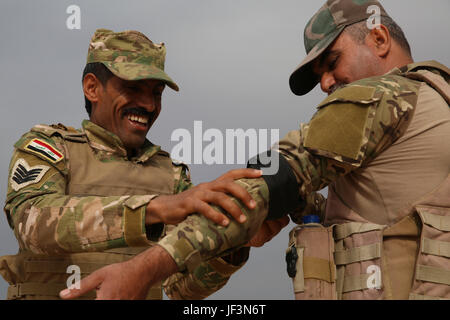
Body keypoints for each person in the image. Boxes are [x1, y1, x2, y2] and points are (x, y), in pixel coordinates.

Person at [62, 0, 449, 300]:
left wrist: (142, 270)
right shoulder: (438, 98)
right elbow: (395, 209)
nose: (327, 83)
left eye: (333, 62)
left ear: (379, 39)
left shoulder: (381, 97)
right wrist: (299, 205)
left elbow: (260, 179)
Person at [0, 28, 289, 300]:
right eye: (133, 89)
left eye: (156, 93)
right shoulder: (50, 147)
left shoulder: (171, 176)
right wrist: (154, 209)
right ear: (92, 88)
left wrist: (235, 244)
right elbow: (32, 224)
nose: (149, 105)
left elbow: (180, 289)